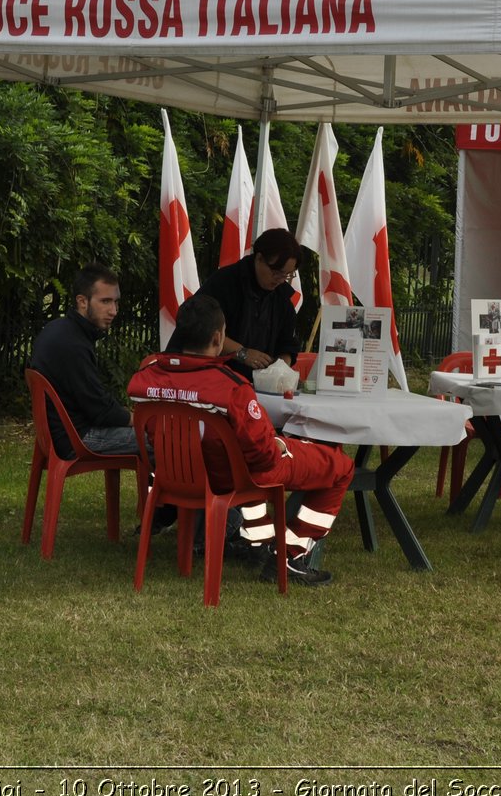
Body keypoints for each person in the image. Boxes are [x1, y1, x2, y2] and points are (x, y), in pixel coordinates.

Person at [128, 294, 353, 586]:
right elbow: (262, 456)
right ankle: (290, 556)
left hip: (173, 477)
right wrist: (282, 445)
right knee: (341, 466)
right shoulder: (231, 388)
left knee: (239, 453)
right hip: (229, 478)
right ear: (219, 337)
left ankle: (258, 540)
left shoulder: (145, 376)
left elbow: (145, 429)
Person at [28, 264, 137, 458]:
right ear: (82, 301)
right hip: (76, 437)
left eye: (115, 302)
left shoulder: (59, 329)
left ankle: (160, 488)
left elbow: (93, 400)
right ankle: (174, 488)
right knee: (160, 438)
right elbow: (100, 411)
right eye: (105, 301)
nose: (114, 311)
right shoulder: (72, 344)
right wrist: (137, 420)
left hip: (61, 433)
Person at [195, 227, 301, 378]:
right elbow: (199, 327)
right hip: (214, 378)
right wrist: (242, 353)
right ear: (259, 258)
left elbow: (287, 344)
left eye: (288, 275)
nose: (281, 280)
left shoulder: (282, 297)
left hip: (261, 385)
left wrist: (280, 369)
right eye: (276, 272)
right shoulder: (224, 283)